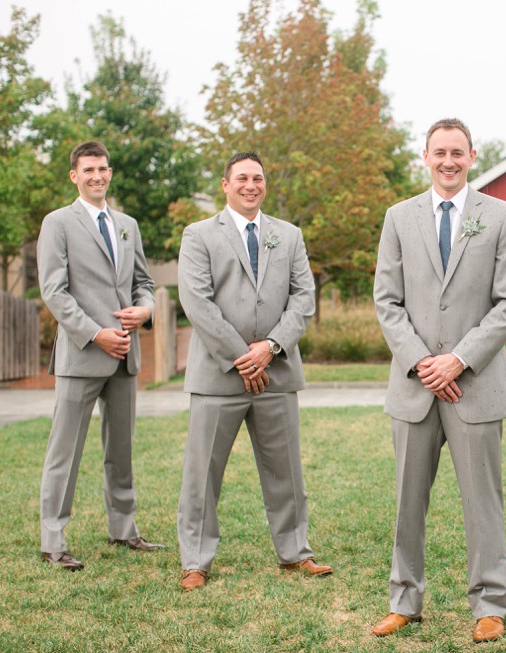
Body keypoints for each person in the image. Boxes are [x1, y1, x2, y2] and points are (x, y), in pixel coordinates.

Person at [372, 118, 506, 642]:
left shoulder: (501, 217)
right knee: (406, 500)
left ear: (472, 155)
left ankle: (490, 603)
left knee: (483, 499)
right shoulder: (398, 217)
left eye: (457, 152)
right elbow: (386, 301)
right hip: (414, 385)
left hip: (475, 384)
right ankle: (404, 600)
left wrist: (458, 359)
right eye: (440, 152)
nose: (448, 161)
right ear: (426, 156)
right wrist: (422, 363)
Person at [176, 152, 331, 591]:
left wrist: (270, 348)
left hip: (277, 373)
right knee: (202, 473)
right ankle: (196, 560)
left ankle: (296, 552)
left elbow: (304, 299)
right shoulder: (199, 235)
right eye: (241, 178)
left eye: (258, 178)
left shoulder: (290, 235)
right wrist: (242, 357)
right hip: (217, 376)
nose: (251, 185)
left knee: (286, 471)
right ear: (225, 184)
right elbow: (197, 303)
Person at [36, 140, 161, 570]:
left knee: (120, 449)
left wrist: (146, 309)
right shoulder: (57, 223)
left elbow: (143, 282)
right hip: (82, 353)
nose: (97, 176)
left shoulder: (127, 223)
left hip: (125, 356)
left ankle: (123, 529)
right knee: (64, 451)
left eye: (103, 169)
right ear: (74, 175)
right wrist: (96, 334)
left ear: (110, 173)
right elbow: (54, 291)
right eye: (88, 169)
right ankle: (53, 540)